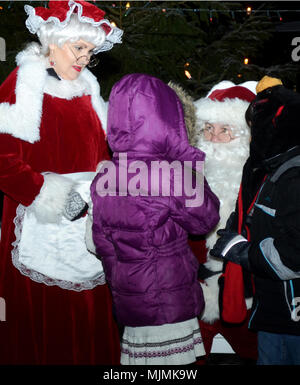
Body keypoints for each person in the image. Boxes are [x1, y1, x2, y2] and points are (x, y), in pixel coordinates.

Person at [0, 0, 123, 364]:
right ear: (53, 42)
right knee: (46, 320)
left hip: (87, 224)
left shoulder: (89, 86)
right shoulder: (24, 83)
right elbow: (4, 161)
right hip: (40, 219)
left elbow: (102, 154)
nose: (85, 58)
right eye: (79, 48)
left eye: (90, 51)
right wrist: (54, 197)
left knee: (88, 314)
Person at [87, 73, 220, 365]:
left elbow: (100, 243)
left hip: (129, 303)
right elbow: (206, 219)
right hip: (170, 303)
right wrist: (188, 164)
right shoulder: (169, 173)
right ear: (166, 118)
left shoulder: (106, 175)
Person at [211, 75, 300, 365]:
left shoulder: (293, 175)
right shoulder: (271, 169)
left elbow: (293, 254)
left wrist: (244, 252)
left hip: (289, 316)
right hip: (272, 310)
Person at [191, 81, 258, 363]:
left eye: (224, 131)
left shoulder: (257, 179)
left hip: (245, 294)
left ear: (243, 136)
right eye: (208, 129)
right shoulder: (188, 177)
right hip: (196, 292)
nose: (214, 138)